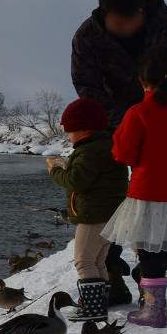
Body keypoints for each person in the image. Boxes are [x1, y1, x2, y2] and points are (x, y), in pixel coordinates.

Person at [101, 45, 167, 328]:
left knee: (150, 253)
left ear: (141, 80)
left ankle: (154, 311)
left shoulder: (138, 112)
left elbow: (122, 153)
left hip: (147, 194)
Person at [72, 0, 167, 129]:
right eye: (118, 23)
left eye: (132, 21)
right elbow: (87, 87)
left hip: (166, 119)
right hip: (117, 128)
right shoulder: (87, 38)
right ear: (105, 14)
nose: (127, 28)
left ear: (142, 9)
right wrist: (129, 121)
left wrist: (165, 107)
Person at [46, 98, 127, 322]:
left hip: (94, 217)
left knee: (83, 261)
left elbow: (76, 181)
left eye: (69, 130)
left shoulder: (91, 151)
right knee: (98, 261)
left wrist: (55, 171)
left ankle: (93, 309)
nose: (67, 135)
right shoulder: (104, 146)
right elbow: (87, 176)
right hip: (110, 216)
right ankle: (99, 306)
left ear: (84, 129)